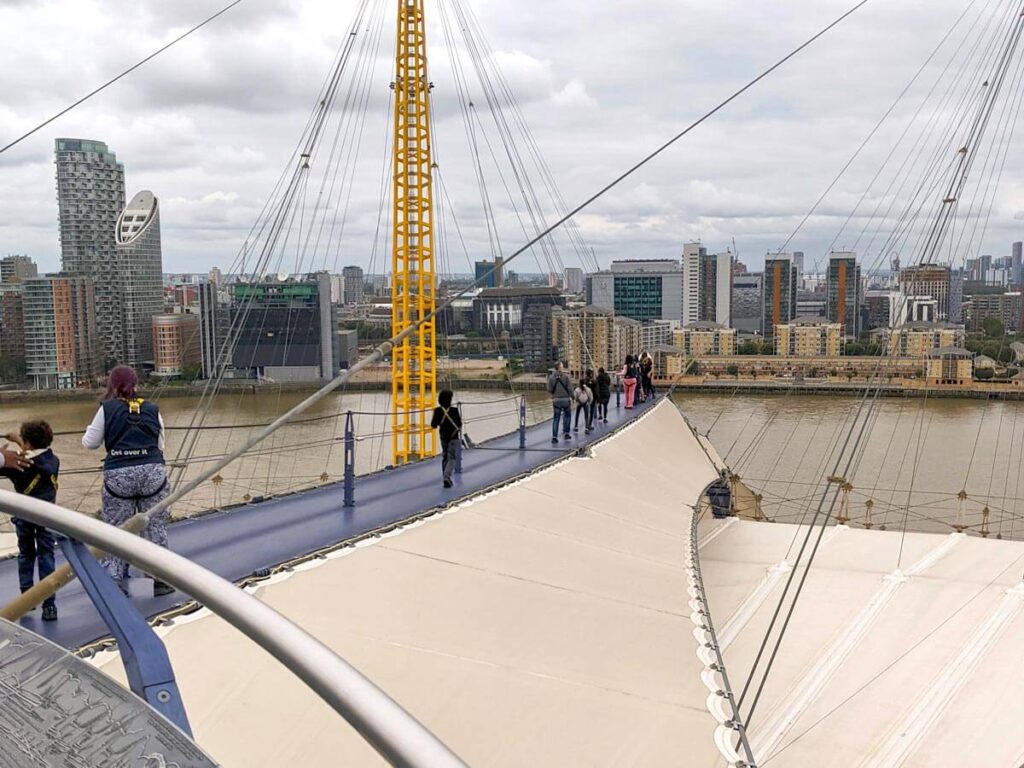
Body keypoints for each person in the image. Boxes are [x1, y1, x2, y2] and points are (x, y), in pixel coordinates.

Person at [83, 365, 175, 597]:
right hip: (152, 473)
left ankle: (115, 582)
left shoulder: (107, 409)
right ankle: (160, 579)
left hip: (119, 475)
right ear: (136, 384)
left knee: (118, 528)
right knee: (155, 525)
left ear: (111, 384)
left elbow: (90, 443)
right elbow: (161, 444)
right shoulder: (152, 409)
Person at [0, 421, 59, 621]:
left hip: (24, 516)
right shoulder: (53, 460)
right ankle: (49, 605)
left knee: (26, 555)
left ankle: (27, 598)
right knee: (46, 557)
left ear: (26, 443)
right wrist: (20, 441)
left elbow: (13, 461)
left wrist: (8, 448)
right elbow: (36, 456)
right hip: (47, 517)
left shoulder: (18, 465)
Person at [430, 390, 462, 489]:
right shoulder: (455, 410)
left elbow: (433, 425)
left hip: (443, 437)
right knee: (452, 458)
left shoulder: (437, 411)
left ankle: (445, 478)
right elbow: (459, 424)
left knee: (445, 456)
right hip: (454, 437)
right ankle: (446, 477)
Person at [547, 361, 573, 444]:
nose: (563, 367)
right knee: (567, 416)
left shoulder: (551, 378)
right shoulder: (566, 377)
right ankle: (566, 433)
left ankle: (554, 437)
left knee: (556, 419)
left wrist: (555, 393)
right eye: (562, 366)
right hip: (565, 400)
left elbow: (549, 389)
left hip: (556, 401)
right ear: (560, 367)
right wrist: (573, 397)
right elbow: (570, 389)